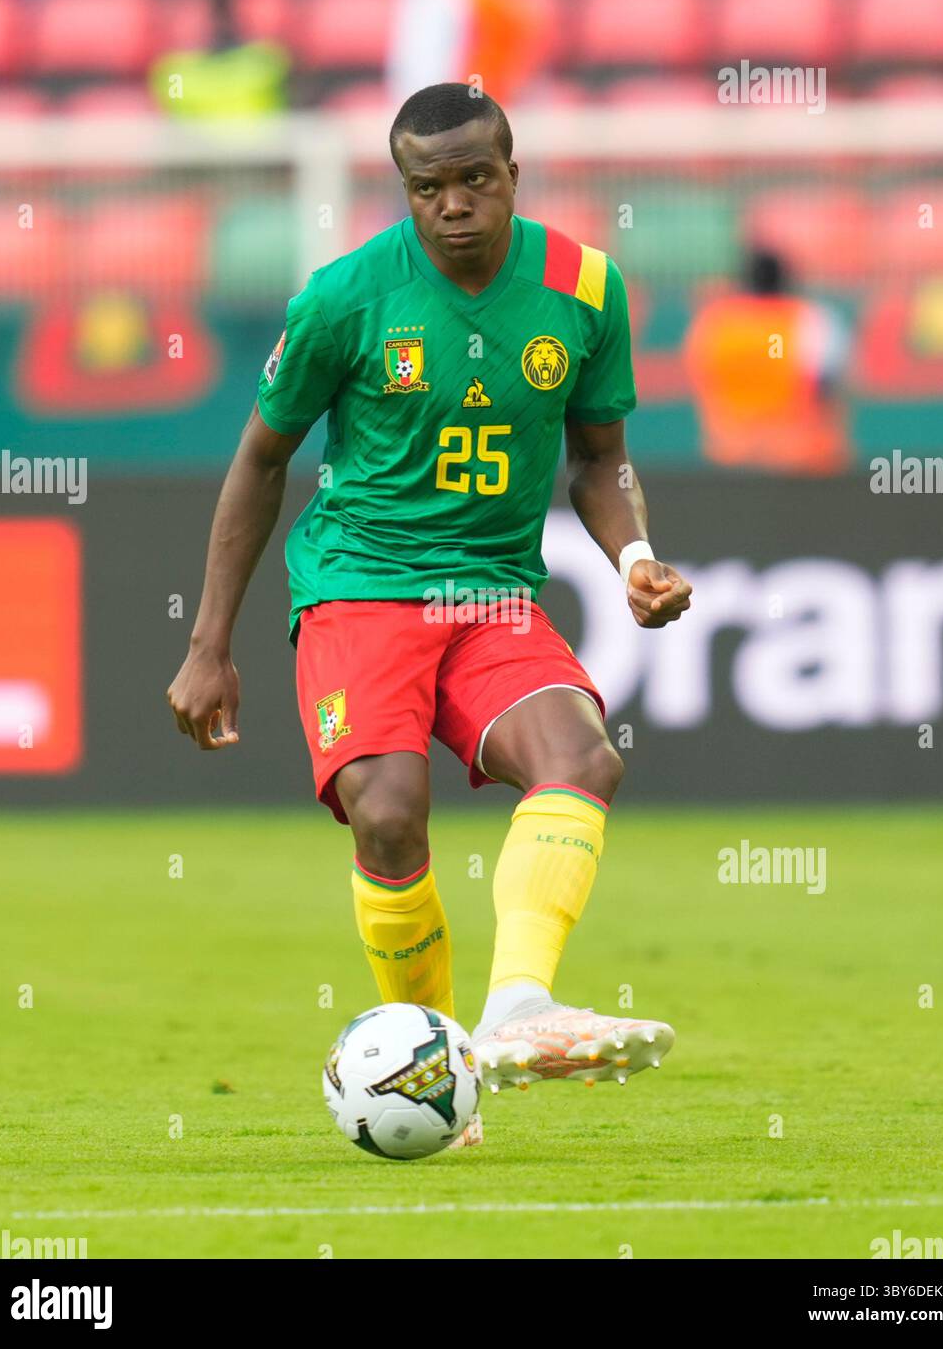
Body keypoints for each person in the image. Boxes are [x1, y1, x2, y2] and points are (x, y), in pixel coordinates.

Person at [167, 84, 692, 1142]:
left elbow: (600, 457)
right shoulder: (345, 298)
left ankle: (519, 1008)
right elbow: (262, 460)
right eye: (426, 188)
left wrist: (634, 554)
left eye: (474, 181)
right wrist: (208, 644)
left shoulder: (585, 286)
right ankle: (441, 1061)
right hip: (361, 583)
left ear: (512, 173)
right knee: (391, 812)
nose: (452, 206)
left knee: (583, 759)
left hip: (494, 592)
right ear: (403, 191)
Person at [684, 249, 852, 475]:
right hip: (799, 459)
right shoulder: (811, 320)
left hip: (730, 457)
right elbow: (828, 389)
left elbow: (702, 380)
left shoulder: (715, 323)